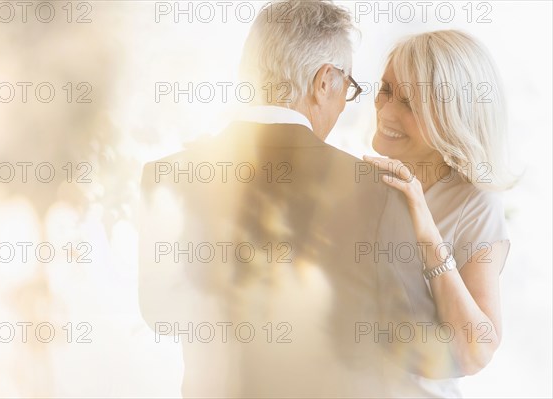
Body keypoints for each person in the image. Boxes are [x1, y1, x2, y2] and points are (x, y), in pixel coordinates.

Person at [139, 1, 458, 397]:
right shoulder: (379, 192)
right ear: (324, 81)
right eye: (349, 86)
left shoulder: (167, 176)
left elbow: (161, 315)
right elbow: (424, 346)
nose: (345, 103)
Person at [363, 30, 515, 397]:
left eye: (409, 103)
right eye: (385, 90)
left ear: (450, 116)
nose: (385, 111)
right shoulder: (366, 182)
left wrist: (428, 235)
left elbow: (475, 353)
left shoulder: (475, 203)